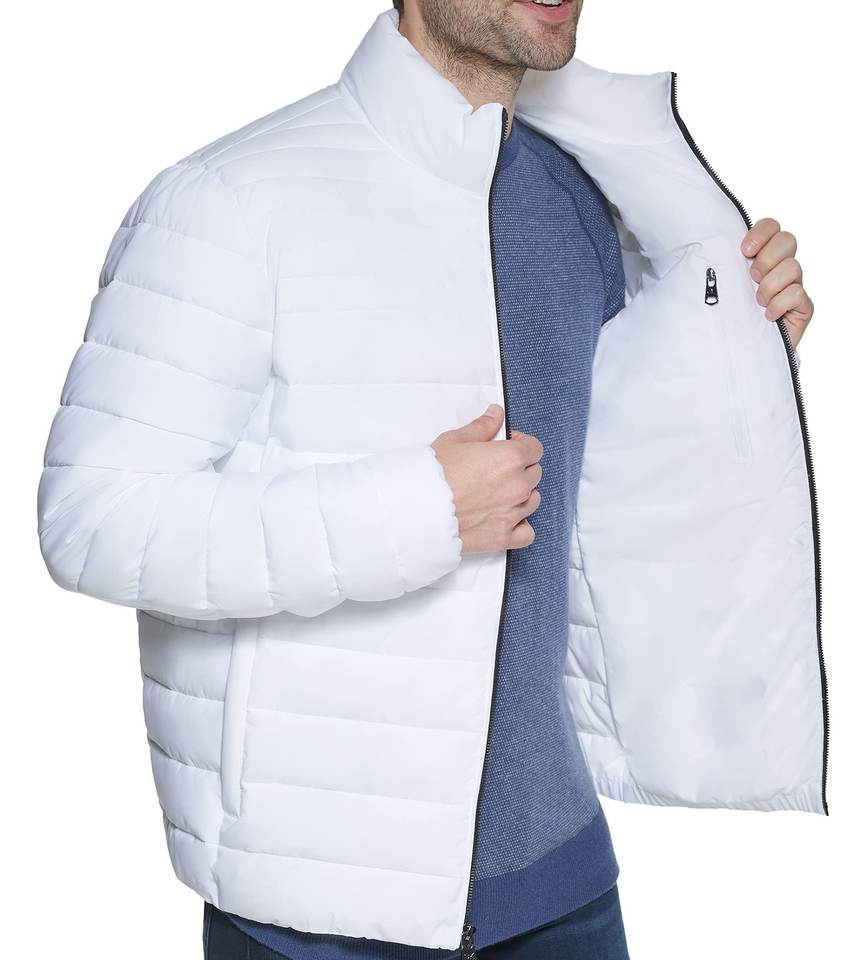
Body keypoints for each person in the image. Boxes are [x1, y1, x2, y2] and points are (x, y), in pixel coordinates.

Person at [37, 2, 826, 959]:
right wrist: (419, 511)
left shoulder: (585, 203)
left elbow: (620, 483)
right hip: (319, 904)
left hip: (563, 879)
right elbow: (93, 519)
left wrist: (732, 344)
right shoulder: (231, 200)